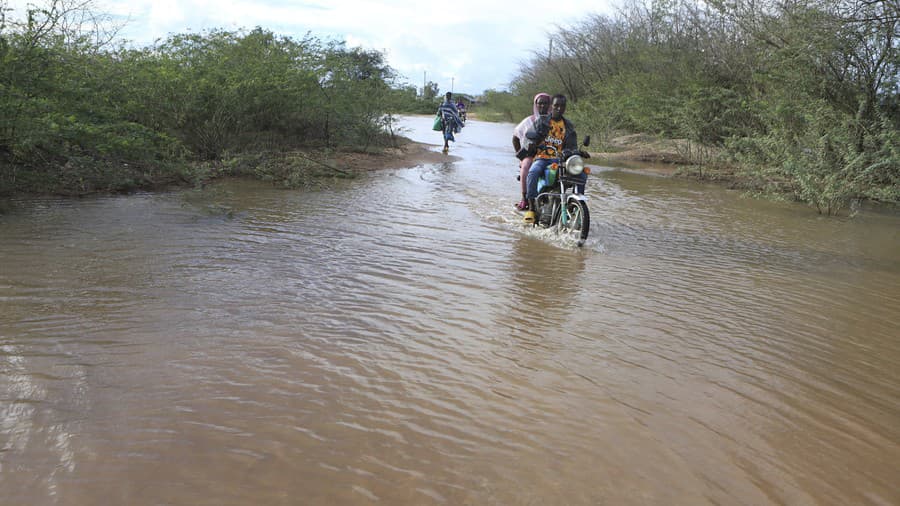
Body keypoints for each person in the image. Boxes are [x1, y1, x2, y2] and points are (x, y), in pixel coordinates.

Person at [524, 94, 586, 221]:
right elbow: (529, 136)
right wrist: (531, 144)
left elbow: (572, 146)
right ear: (551, 106)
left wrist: (577, 152)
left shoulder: (568, 125)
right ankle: (531, 208)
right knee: (533, 172)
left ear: (565, 108)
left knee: (582, 173)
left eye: (562, 106)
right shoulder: (541, 121)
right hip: (542, 158)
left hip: (561, 160)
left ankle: (577, 207)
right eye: (556, 105)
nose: (559, 108)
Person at [512, 92, 551, 211]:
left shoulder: (555, 120)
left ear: (550, 105)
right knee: (526, 166)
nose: (543, 106)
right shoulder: (529, 121)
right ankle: (525, 198)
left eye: (545, 103)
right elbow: (515, 137)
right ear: (536, 105)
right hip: (533, 154)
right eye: (540, 104)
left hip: (552, 154)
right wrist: (521, 157)